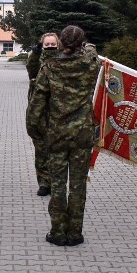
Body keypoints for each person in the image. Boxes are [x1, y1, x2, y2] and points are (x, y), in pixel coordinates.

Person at [26, 25, 99, 247]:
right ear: (81, 43)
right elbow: (92, 52)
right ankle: (75, 233)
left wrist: (34, 130)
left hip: (57, 134)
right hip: (82, 134)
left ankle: (58, 232)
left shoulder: (49, 67)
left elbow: (36, 104)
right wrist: (88, 45)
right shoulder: (90, 64)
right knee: (78, 185)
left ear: (60, 43)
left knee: (57, 184)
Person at [25, 32, 59, 197]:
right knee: (41, 150)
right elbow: (31, 71)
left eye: (53, 45)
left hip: (57, 113)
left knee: (56, 151)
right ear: (42, 45)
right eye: (47, 45)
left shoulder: (62, 60)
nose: (51, 47)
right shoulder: (37, 60)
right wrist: (35, 54)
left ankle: (56, 182)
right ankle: (44, 183)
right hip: (39, 112)